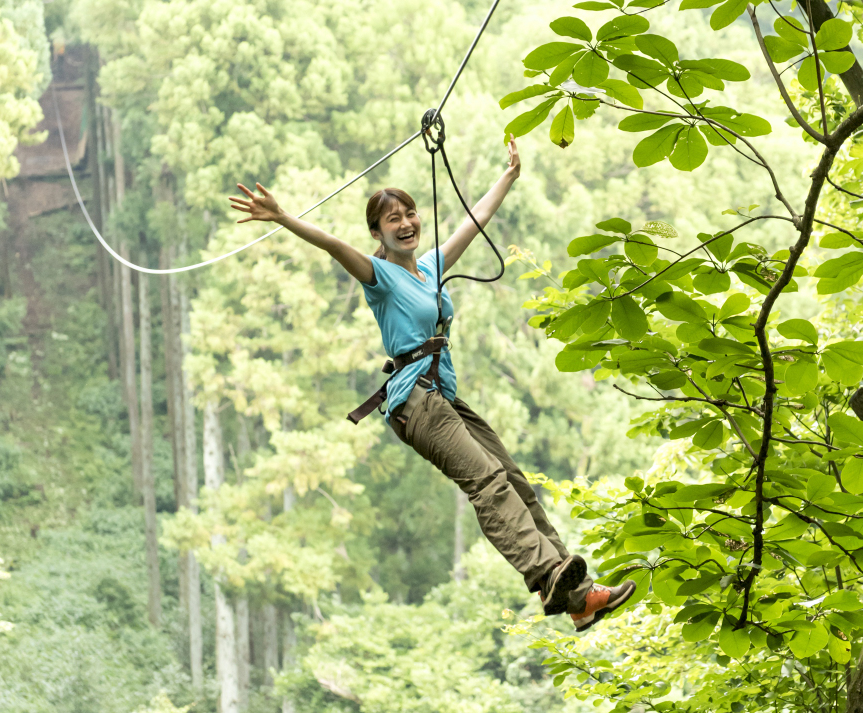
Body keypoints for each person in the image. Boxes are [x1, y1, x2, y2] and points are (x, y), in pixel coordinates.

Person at [228, 134, 635, 632]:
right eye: (392, 219)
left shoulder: (430, 268)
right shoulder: (378, 275)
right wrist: (284, 217)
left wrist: (508, 176)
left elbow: (475, 220)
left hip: (443, 397)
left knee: (513, 480)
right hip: (414, 402)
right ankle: (546, 573)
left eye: (410, 214)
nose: (406, 224)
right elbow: (334, 245)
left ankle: (579, 598)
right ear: (377, 233)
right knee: (486, 482)